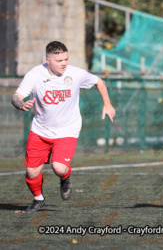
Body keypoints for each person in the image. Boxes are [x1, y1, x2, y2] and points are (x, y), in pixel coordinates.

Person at [11, 41, 116, 213]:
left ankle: (65, 178)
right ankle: (38, 200)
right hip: (40, 129)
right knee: (31, 172)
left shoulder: (75, 73)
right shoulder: (35, 74)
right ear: (48, 60)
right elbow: (16, 96)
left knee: (58, 168)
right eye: (59, 61)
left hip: (68, 129)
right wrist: (20, 103)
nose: (64, 63)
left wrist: (107, 104)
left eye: (66, 59)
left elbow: (99, 82)